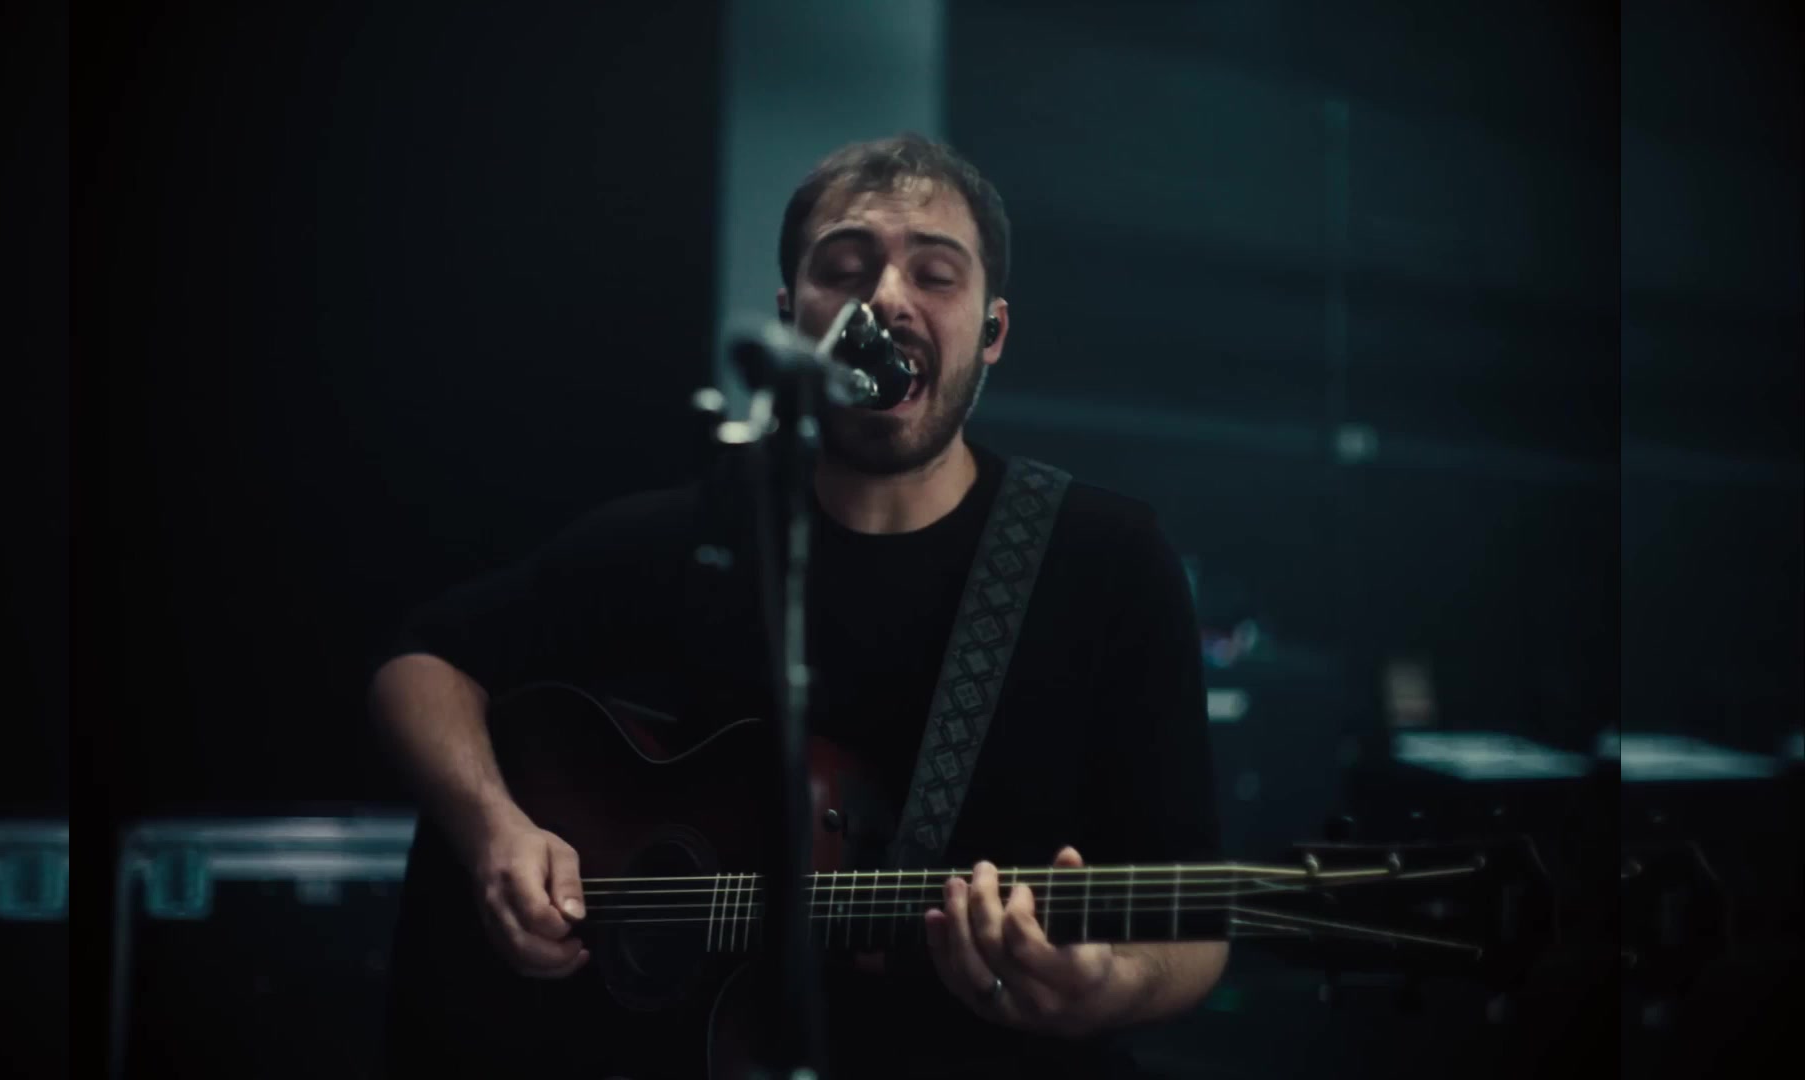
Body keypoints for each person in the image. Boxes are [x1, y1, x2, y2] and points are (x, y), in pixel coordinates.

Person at [370, 133, 1228, 1078]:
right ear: (793, 317)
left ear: (992, 334)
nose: (887, 300)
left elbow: (1194, 926)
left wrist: (1108, 987)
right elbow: (421, 665)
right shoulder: (688, 534)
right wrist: (495, 833)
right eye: (846, 270)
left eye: (936, 275)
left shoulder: (1107, 563)